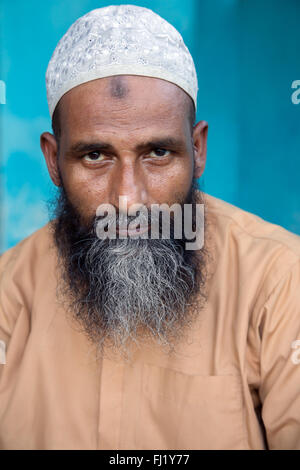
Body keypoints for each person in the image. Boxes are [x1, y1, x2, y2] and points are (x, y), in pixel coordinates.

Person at [0, 4, 300, 450]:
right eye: (95, 156)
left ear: (197, 150)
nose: (128, 197)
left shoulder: (279, 280)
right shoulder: (9, 290)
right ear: (53, 161)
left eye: (157, 153)